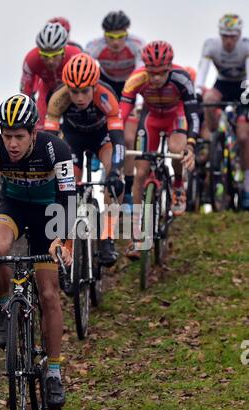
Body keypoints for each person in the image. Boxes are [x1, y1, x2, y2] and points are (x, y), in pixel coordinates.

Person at [0, 94, 75, 410]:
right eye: (6, 135)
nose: (11, 143)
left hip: (50, 212)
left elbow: (69, 199)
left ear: (33, 133)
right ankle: (2, 306)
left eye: (18, 137)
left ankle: (53, 372)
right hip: (13, 207)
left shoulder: (56, 149)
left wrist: (61, 241)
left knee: (49, 294)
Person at [120, 41, 199, 259]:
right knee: (141, 173)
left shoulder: (182, 78)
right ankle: (136, 234)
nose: (155, 78)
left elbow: (193, 114)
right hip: (151, 119)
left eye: (161, 73)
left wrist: (191, 144)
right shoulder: (136, 78)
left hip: (176, 118)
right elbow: (122, 113)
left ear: (169, 68)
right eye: (151, 72)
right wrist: (114, 138)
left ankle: (178, 184)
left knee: (176, 149)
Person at [45, 53, 125, 267]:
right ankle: (66, 242)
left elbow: (118, 140)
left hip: (102, 138)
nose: (79, 97)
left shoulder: (106, 96)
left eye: (85, 91)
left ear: (94, 86)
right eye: (74, 92)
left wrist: (116, 170)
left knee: (115, 177)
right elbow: (50, 140)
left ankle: (107, 237)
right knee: (67, 185)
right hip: (73, 140)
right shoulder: (58, 98)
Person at [86, 11, 145, 211]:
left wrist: (136, 105)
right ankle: (97, 152)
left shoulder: (137, 44)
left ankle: (127, 191)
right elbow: (87, 69)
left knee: (128, 139)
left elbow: (139, 74)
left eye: (120, 36)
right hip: (106, 85)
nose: (116, 42)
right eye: (111, 37)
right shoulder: (95, 46)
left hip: (130, 86)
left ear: (127, 34)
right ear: (105, 36)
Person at [195, 14, 249, 208]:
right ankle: (214, 134)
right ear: (220, 35)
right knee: (208, 100)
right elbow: (203, 71)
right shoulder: (211, 45)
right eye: (225, 35)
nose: (228, 41)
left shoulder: (245, 46)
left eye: (232, 36)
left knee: (243, 137)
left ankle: (247, 186)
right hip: (223, 84)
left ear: (239, 35)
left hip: (242, 86)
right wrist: (198, 89)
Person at [20, 22, 81, 129]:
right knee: (40, 127)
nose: (50, 61)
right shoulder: (31, 59)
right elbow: (26, 91)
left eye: (55, 55)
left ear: (63, 50)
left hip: (71, 90)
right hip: (46, 89)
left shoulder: (75, 55)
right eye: (45, 56)